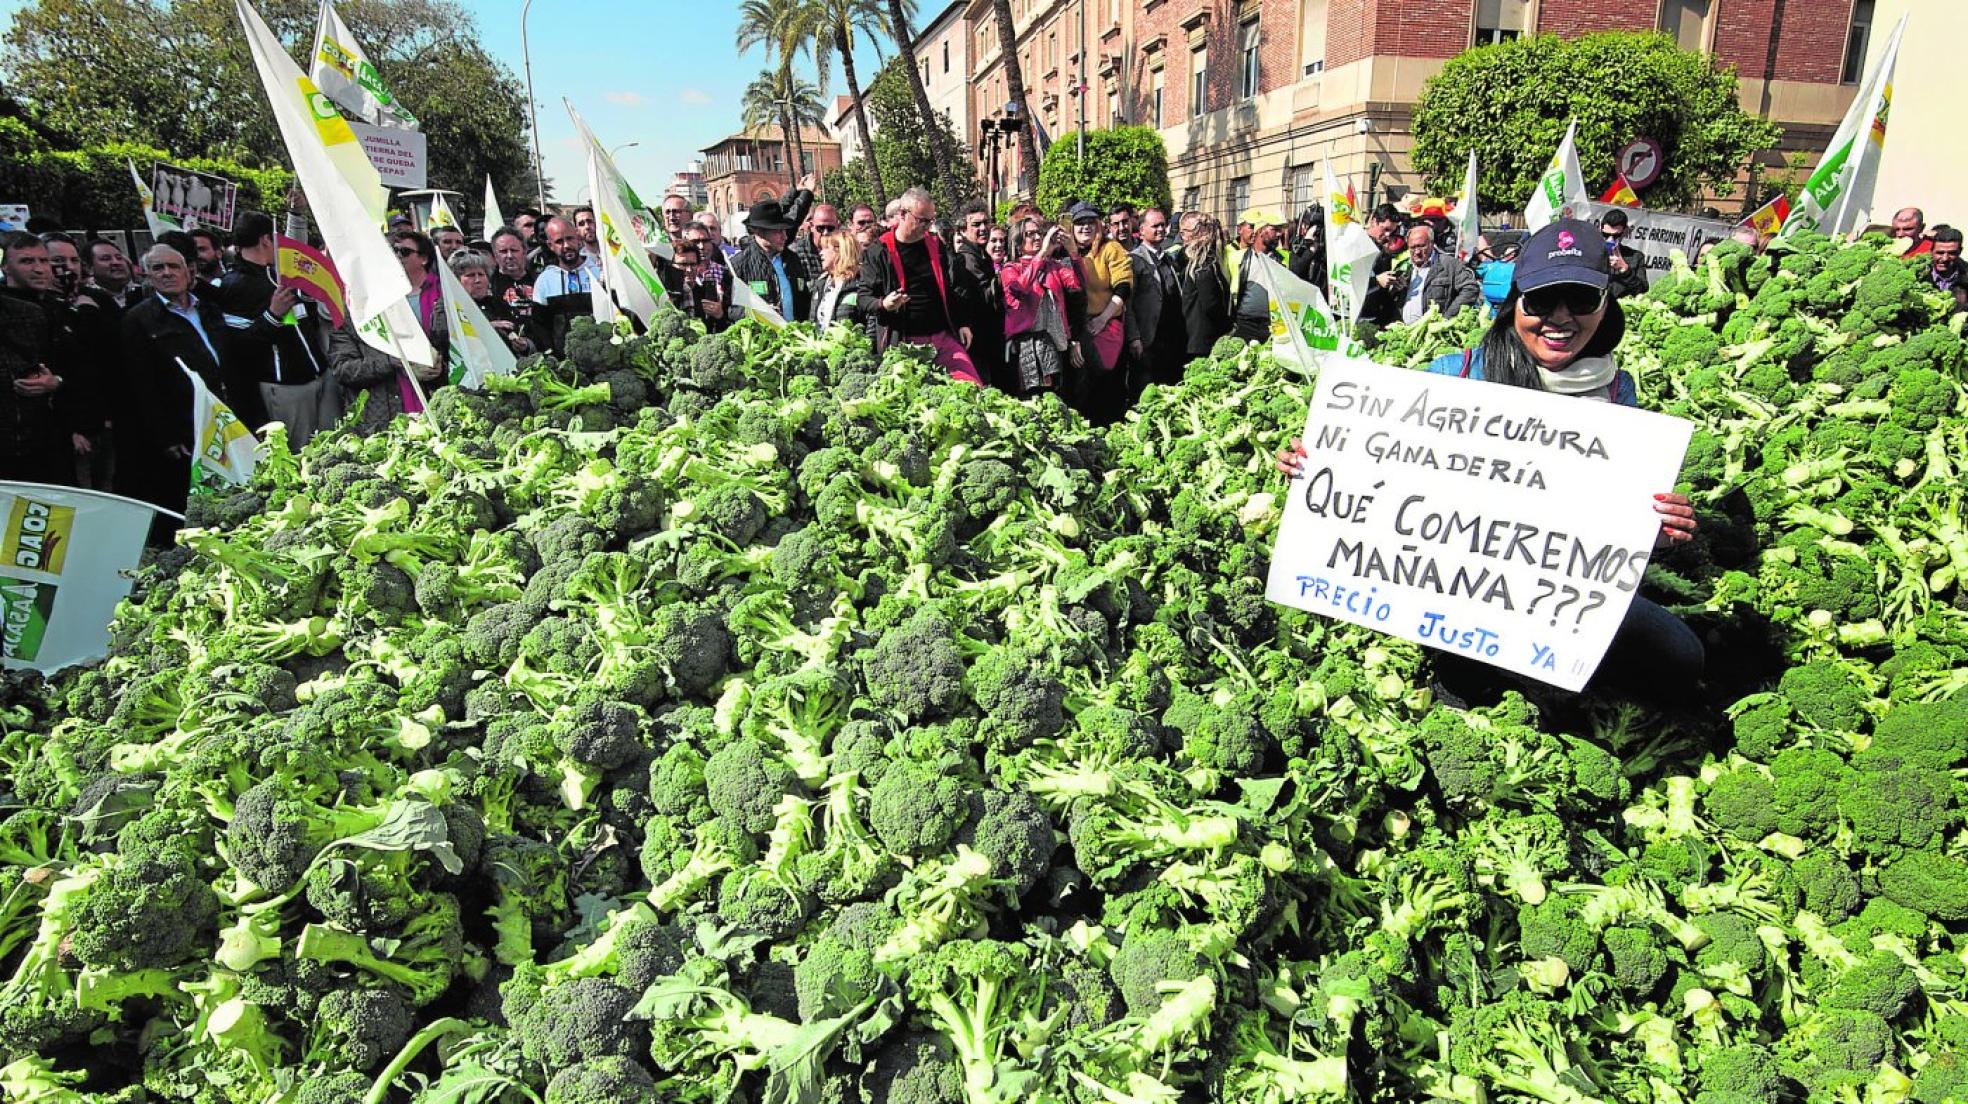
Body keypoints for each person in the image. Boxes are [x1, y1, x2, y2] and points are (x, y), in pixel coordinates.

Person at [1277, 219, 1702, 705]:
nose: (1559, 319)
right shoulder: (1455, 374)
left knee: (1680, 657)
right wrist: (1316, 464)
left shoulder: (1616, 389)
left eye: (1581, 301)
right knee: (1467, 689)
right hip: (1457, 590)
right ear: (1515, 303)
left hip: (1554, 593)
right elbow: (1380, 463)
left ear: (1605, 306)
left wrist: (1660, 529)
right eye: (1541, 301)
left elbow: (1615, 518)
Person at [119, 244, 248, 521]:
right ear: (146, 274)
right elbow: (141, 384)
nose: (167, 273)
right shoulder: (138, 320)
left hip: (228, 417)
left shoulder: (209, 308)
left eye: (173, 266)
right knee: (198, 501)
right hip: (186, 428)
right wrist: (165, 436)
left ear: (188, 271)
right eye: (158, 268)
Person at [216, 211, 337, 447]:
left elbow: (299, 250)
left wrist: (296, 213)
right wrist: (272, 316)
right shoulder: (234, 286)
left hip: (320, 378)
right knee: (303, 458)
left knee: (334, 448)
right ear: (265, 240)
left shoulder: (279, 274)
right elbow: (238, 348)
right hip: (287, 390)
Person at [853, 187, 981, 384]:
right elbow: (863, 298)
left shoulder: (937, 246)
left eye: (931, 220)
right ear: (902, 215)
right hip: (903, 343)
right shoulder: (880, 250)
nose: (928, 226)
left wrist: (963, 322)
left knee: (972, 386)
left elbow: (956, 287)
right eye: (923, 220)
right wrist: (884, 304)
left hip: (942, 338)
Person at [329, 233, 449, 436]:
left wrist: (440, 368)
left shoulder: (444, 296)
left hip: (438, 410)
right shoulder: (356, 312)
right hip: (383, 418)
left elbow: (462, 351)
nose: (396, 257)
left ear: (424, 258)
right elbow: (343, 369)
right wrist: (393, 361)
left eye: (404, 252)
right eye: (391, 252)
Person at [0, 233, 77, 485]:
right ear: (5, 266)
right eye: (26, 261)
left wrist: (56, 381)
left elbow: (80, 367)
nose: (39, 269)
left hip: (50, 438)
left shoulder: (56, 309)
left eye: (43, 261)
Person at [999, 221, 1082, 397]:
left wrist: (1073, 251)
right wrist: (1043, 253)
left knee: (1053, 399)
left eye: (1039, 233)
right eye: (1030, 234)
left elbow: (1078, 286)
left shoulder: (1053, 266)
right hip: (1023, 346)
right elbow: (1020, 288)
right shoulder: (1010, 268)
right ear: (1018, 240)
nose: (1038, 237)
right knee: (1028, 402)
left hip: (1052, 342)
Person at [730, 180, 816, 323]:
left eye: (784, 230)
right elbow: (730, 308)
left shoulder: (792, 259)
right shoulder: (739, 265)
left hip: (796, 337)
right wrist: (759, 314)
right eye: (777, 231)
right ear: (758, 232)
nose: (785, 236)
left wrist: (802, 192)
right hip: (763, 340)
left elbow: (795, 215)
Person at [1128, 206, 1189, 389]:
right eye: (1155, 226)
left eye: (1163, 225)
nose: (1161, 230)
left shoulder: (1168, 259)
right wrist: (1134, 337)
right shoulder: (1135, 260)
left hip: (1170, 338)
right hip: (1147, 340)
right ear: (1142, 231)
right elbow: (1128, 303)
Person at [450, 250, 539, 356]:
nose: (478, 280)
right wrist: (487, 327)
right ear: (456, 280)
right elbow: (445, 335)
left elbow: (526, 337)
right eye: (470, 275)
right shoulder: (448, 305)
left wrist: (524, 346)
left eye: (481, 274)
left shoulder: (498, 304)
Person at [953, 201, 1003, 388]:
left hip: (988, 338)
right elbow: (984, 296)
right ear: (963, 230)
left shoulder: (982, 255)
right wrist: (1004, 278)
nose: (983, 228)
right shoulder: (967, 258)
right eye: (976, 225)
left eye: (986, 223)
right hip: (978, 340)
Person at [1396, 224, 1480, 323]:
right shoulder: (1404, 267)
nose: (1417, 252)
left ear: (1431, 243)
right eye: (1412, 247)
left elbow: (1470, 288)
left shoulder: (1448, 264)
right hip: (1405, 332)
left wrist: (1448, 318)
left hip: (1434, 334)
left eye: (1421, 246)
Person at [1226, 208, 1285, 342]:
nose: (1280, 234)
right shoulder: (1237, 258)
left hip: (1272, 326)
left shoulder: (1283, 259)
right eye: (1275, 229)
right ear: (1260, 231)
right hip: (1244, 325)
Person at [1176, 216, 1230, 361]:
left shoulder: (1197, 263)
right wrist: (1228, 324)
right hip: (1202, 340)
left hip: (1194, 337)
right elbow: (1211, 304)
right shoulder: (1203, 265)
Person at [811, 238, 865, 334]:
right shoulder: (820, 284)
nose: (821, 253)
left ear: (840, 252)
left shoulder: (860, 284)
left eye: (826, 248)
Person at [490, 226, 538, 323]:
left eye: (514, 250)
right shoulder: (488, 286)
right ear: (495, 255)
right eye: (503, 251)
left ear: (524, 251)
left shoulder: (540, 281)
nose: (510, 256)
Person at [1600, 210, 1648, 299]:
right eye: (1606, 234)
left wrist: (1625, 269)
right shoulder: (1591, 252)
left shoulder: (1635, 257)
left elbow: (1642, 291)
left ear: (1625, 232)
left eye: (1616, 236)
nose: (1610, 239)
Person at [87, 238, 143, 308]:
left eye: (119, 258)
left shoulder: (144, 293)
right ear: (90, 268)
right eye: (106, 258)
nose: (116, 262)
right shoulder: (87, 300)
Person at [791, 202, 838, 278]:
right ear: (812, 226)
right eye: (821, 228)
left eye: (830, 228)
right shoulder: (796, 253)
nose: (825, 233)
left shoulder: (844, 250)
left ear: (837, 226)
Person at [1927, 225, 1966, 314]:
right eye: (1940, 253)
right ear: (1931, 251)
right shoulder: (1917, 275)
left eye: (1952, 253)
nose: (1945, 258)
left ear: (1960, 251)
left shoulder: (1966, 276)